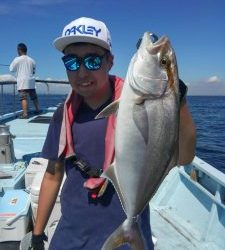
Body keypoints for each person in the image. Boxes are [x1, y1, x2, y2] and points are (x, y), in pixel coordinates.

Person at [30, 17, 196, 250]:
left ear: (110, 61)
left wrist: (176, 97)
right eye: (72, 62)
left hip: (127, 236)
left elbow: (185, 157)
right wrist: (37, 235)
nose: (82, 72)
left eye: (92, 60)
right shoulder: (62, 114)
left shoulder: (133, 103)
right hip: (71, 235)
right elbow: (52, 175)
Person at [9, 43, 40, 119]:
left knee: (23, 98)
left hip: (22, 82)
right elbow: (33, 71)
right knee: (34, 97)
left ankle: (25, 114)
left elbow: (11, 69)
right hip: (31, 81)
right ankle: (38, 110)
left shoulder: (17, 59)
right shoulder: (32, 60)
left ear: (19, 50)